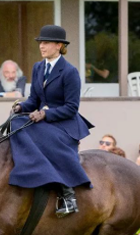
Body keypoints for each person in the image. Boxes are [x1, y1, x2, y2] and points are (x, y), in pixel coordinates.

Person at [11, 25, 94, 217]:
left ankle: (68, 194)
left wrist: (45, 115)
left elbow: (72, 107)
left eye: (46, 43)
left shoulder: (69, 72)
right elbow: (34, 101)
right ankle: (28, 172)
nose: (42, 46)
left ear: (58, 46)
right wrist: (21, 108)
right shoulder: (38, 67)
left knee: (41, 136)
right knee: (15, 122)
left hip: (64, 123)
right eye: (41, 43)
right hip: (43, 120)